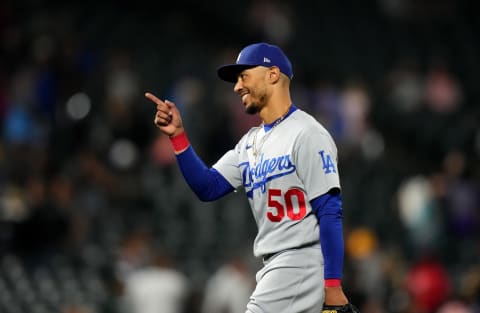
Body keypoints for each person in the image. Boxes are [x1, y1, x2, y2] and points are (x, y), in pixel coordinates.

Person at [146, 42, 356, 313]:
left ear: (272, 74)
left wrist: (333, 286)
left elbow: (329, 211)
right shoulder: (249, 143)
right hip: (275, 266)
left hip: (300, 262)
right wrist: (178, 137)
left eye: (244, 76)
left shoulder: (307, 133)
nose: (237, 86)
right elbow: (207, 187)